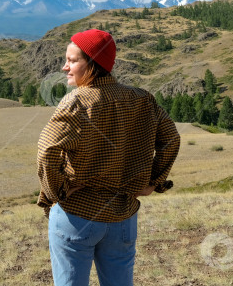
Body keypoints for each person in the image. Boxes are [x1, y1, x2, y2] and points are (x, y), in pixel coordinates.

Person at [36, 28, 180, 286]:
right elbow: (171, 139)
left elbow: (47, 150)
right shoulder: (142, 98)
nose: (64, 67)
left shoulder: (76, 102)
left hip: (76, 214)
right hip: (123, 217)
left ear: (92, 64)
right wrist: (153, 183)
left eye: (72, 60)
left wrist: (57, 193)